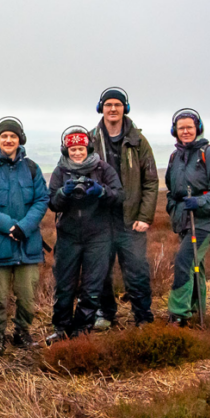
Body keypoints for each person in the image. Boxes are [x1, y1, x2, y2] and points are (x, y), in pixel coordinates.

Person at [0, 117, 49, 358]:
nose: (8, 140)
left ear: (20, 139)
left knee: (27, 295)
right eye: (4, 136)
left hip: (28, 243)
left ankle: (22, 333)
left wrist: (24, 227)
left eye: (13, 136)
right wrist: (9, 227)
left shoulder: (32, 168)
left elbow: (42, 200)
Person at [46, 127, 125, 342]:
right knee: (64, 285)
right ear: (66, 150)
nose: (77, 153)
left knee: (92, 286)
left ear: (88, 148)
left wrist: (101, 191)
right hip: (68, 236)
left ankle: (82, 329)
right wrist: (64, 193)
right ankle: (61, 328)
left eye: (81, 148)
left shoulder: (103, 168)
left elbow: (119, 195)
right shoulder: (60, 171)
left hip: (99, 236)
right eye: (73, 149)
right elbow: (52, 203)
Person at [89, 88, 159, 328]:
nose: (112, 109)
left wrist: (145, 216)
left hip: (131, 220)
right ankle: (105, 313)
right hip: (101, 220)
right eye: (108, 104)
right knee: (100, 270)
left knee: (137, 269)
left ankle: (143, 316)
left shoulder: (139, 141)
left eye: (117, 105)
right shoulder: (90, 139)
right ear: (101, 108)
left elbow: (151, 181)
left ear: (125, 108)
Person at [165, 108, 210, 326]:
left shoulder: (209, 154)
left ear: (198, 128)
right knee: (195, 265)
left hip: (206, 220)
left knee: (184, 261)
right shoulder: (175, 157)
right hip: (184, 219)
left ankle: (178, 314)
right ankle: (195, 309)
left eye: (189, 127)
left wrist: (200, 202)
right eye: (181, 128)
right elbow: (171, 190)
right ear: (175, 131)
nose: (185, 131)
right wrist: (173, 207)